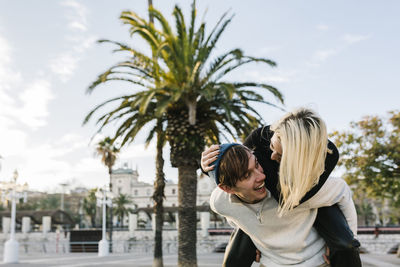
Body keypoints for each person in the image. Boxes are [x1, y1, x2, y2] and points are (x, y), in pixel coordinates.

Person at [202, 107, 361, 266]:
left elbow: (343, 192)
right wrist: (209, 166)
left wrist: (345, 245)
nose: (271, 157)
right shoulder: (222, 200)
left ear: (296, 161)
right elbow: (236, 162)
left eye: (280, 155)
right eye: (272, 148)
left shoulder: (316, 185)